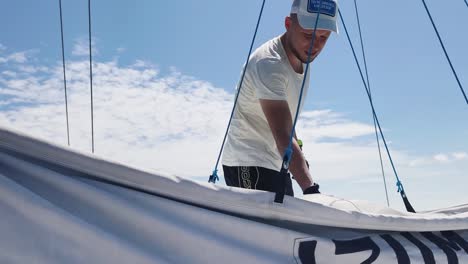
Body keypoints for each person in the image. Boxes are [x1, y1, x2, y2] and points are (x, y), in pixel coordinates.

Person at [221, 0, 339, 196]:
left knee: (284, 224)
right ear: (288, 24)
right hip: (247, 162)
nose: (315, 45)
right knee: (261, 227)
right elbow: (283, 135)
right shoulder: (269, 63)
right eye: (308, 35)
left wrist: (300, 156)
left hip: (278, 161)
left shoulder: (303, 58)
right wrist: (311, 189)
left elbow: (287, 122)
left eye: (323, 37)